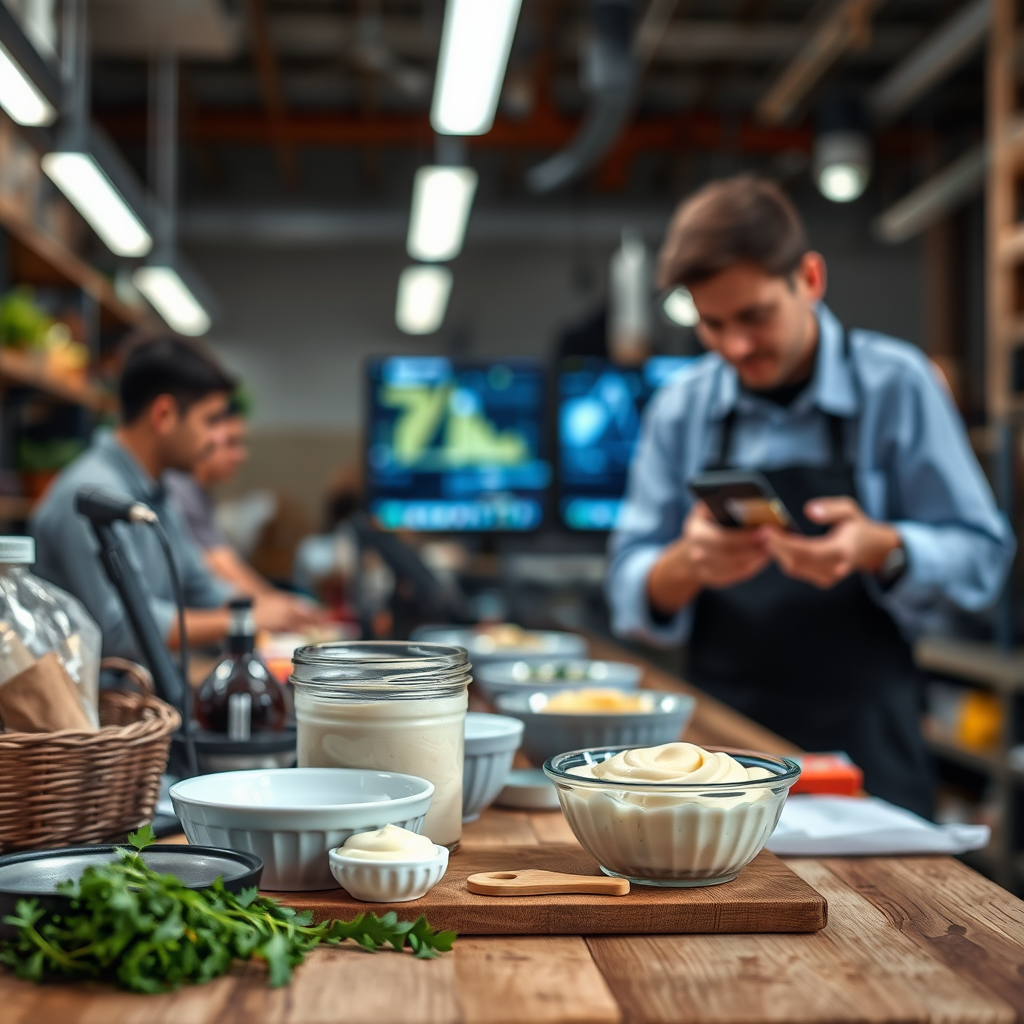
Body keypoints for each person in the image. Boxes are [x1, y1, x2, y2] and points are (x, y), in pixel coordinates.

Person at [607, 175, 1015, 818]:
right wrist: (687, 564)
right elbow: (626, 581)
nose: (736, 346)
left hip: (869, 750)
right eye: (713, 325)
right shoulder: (680, 407)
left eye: (755, 316)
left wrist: (884, 548)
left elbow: (985, 559)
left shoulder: (897, 385)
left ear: (810, 279)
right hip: (717, 757)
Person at [32, 336, 322, 663]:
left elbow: (198, 585)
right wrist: (244, 619)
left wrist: (268, 608)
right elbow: (119, 630)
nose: (218, 438)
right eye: (210, 420)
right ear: (165, 414)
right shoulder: (90, 494)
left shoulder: (159, 490)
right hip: (98, 705)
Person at [164, 392, 282, 599]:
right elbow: (221, 565)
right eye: (231, 443)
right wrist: (274, 605)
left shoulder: (198, 494)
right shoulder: (180, 488)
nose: (242, 455)